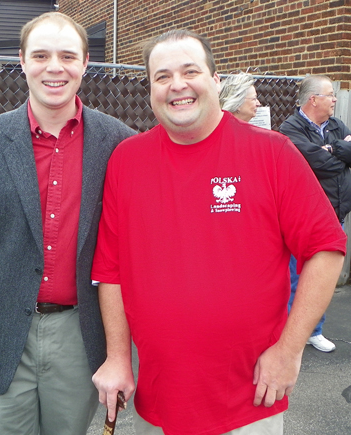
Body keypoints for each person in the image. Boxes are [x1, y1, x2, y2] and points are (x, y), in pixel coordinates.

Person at [91, 30, 346, 435]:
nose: (177, 85)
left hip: (249, 401)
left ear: (214, 81)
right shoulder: (127, 161)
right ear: (151, 88)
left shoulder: (272, 152)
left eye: (190, 71)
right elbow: (110, 270)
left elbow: (327, 248)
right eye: (162, 76)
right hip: (157, 403)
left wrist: (289, 350)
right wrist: (118, 357)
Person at [0, 12, 135, 435]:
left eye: (67, 56)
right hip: (0, 328)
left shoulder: (117, 141)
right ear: (23, 61)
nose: (54, 67)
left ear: (85, 63)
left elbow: (128, 248)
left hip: (79, 331)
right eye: (41, 55)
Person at [279, 74, 351, 353]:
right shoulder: (291, 128)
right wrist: (339, 155)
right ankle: (289, 333)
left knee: (323, 279)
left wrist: (331, 149)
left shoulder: (336, 125)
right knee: (296, 277)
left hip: (336, 215)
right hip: (304, 218)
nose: (334, 99)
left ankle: (314, 331)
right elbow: (314, 163)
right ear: (313, 99)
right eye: (329, 94)